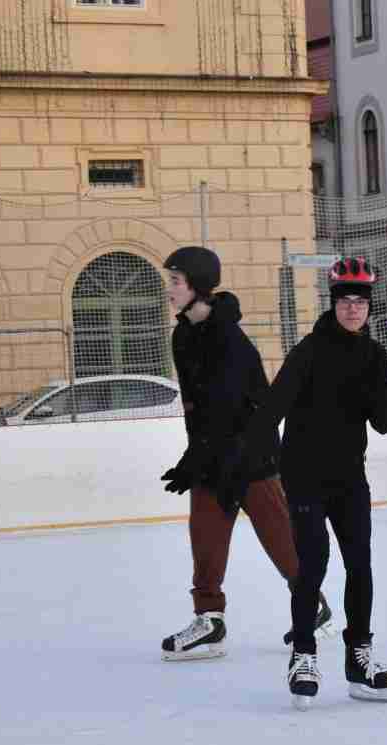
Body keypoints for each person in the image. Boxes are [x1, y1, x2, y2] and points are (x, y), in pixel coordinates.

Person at [232, 256, 387, 709]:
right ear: (333, 303)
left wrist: (379, 383)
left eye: (360, 302)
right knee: (313, 564)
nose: (352, 309)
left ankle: (358, 654)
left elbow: (384, 422)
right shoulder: (309, 350)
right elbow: (272, 407)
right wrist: (251, 458)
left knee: (360, 564)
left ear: (369, 307)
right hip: (304, 475)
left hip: (349, 477)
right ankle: (303, 653)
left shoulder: (374, 356)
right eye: (345, 301)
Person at [158, 245, 330, 661]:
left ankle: (313, 606)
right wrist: (193, 458)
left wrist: (236, 458)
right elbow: (200, 410)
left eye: (176, 282)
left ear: (198, 287)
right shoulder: (182, 335)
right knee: (205, 538)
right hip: (211, 454)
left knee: (280, 537)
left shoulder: (229, 341)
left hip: (251, 456)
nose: (170, 291)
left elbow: (245, 409)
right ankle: (209, 621)